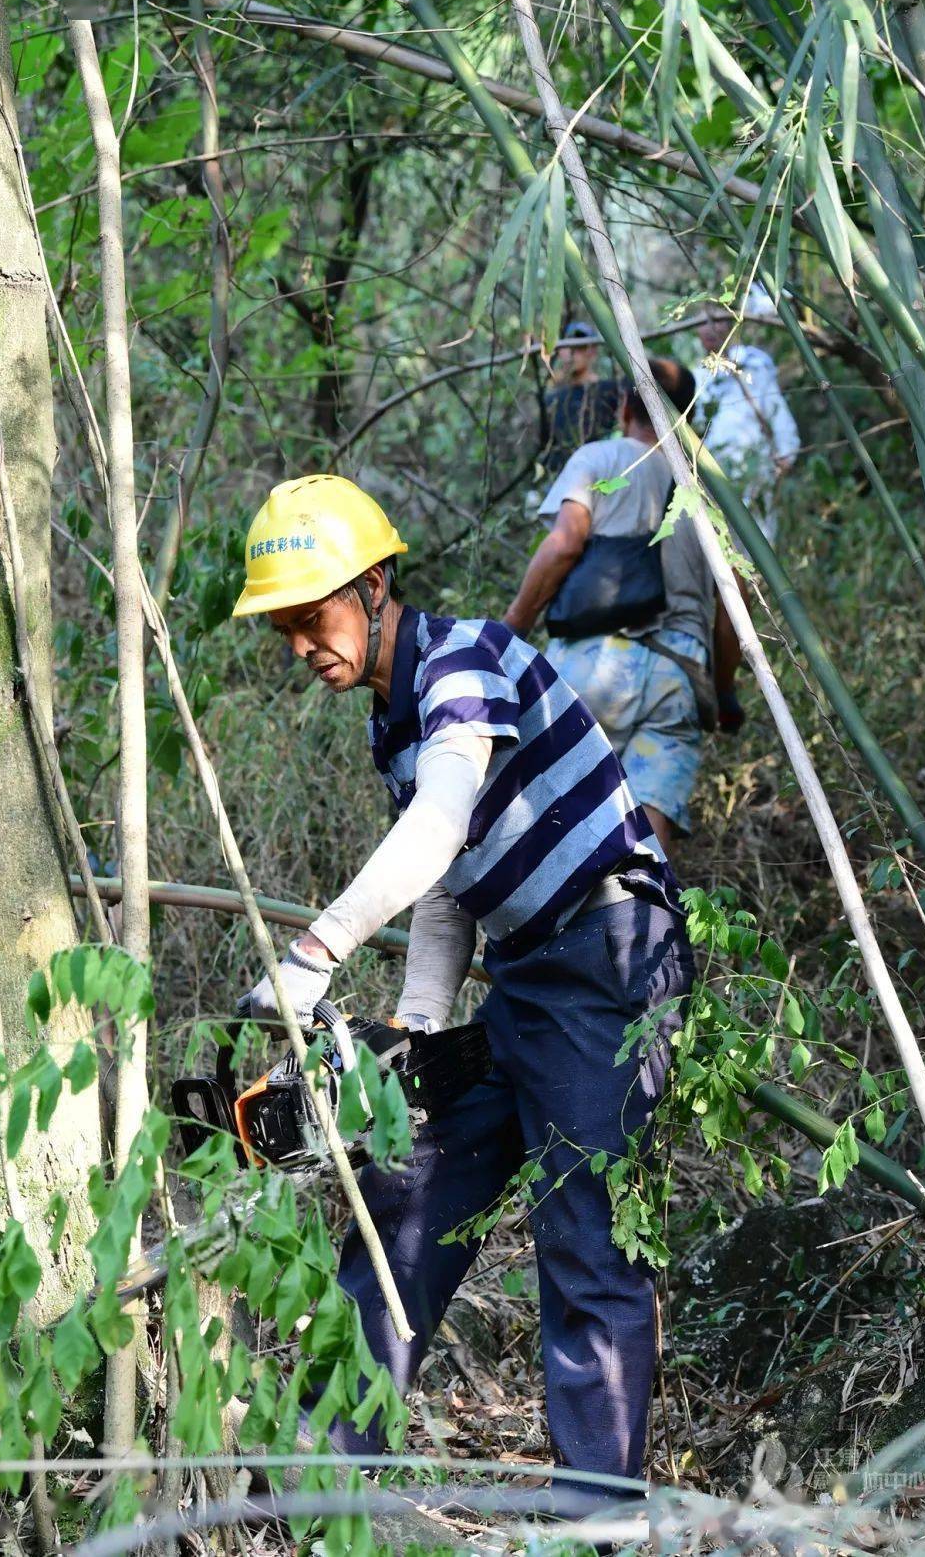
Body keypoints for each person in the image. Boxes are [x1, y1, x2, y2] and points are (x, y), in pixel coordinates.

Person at [232, 472, 694, 1511]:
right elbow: (452, 885)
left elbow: (440, 823)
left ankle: (596, 1520)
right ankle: (321, 1476)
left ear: (377, 585)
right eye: (286, 630)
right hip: (528, 974)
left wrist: (316, 954)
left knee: (584, 1229)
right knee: (412, 1187)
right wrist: (420, 1028)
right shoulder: (392, 724)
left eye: (315, 617)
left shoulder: (467, 661)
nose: (305, 644)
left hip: (612, 951)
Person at [504, 361, 743, 861]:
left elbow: (565, 545)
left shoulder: (602, 457)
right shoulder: (712, 490)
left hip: (591, 667)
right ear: (687, 416)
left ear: (624, 408)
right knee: (648, 821)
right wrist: (722, 692)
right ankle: (641, 923)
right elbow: (730, 611)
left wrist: (512, 629)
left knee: (558, 813)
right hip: (678, 673)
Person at [693, 307, 800, 545]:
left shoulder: (753, 363)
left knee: (759, 531)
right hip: (715, 469)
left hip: (756, 463)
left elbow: (775, 407)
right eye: (702, 324)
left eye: (717, 322)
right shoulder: (699, 375)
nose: (710, 329)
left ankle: (759, 581)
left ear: (730, 326)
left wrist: (786, 452)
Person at [542, 320, 620, 473]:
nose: (572, 353)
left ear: (592, 351)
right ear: (560, 351)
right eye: (568, 346)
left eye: (580, 347)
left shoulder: (611, 392)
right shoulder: (552, 401)